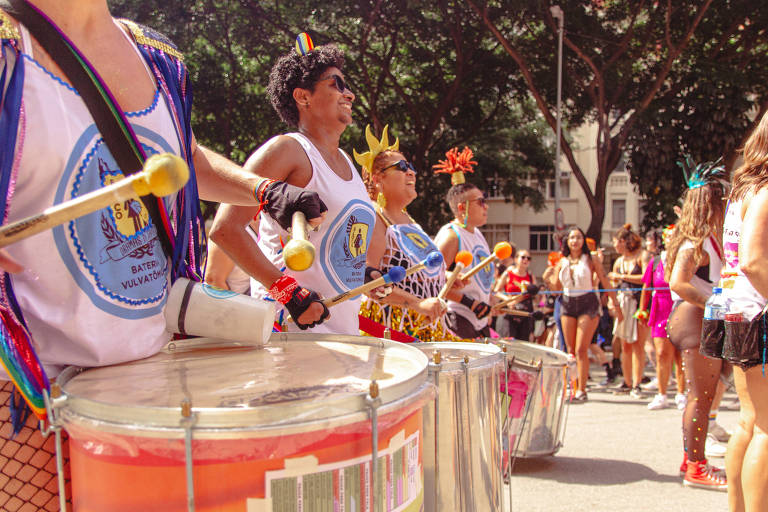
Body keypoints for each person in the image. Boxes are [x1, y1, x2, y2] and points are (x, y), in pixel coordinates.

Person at [0, 3, 326, 509]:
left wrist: (264, 191)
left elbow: (185, 158)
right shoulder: (6, 43)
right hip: (28, 387)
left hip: (148, 375)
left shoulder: (155, 55)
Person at [209, 42, 384, 335]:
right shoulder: (286, 150)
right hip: (292, 336)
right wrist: (287, 292)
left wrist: (361, 272)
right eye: (336, 84)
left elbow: (333, 243)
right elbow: (226, 229)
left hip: (343, 335)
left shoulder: (346, 163)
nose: (349, 94)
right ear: (304, 96)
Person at [665, 156, 728, 490]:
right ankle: (696, 467)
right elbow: (677, 282)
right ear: (712, 205)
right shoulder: (696, 242)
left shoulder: (704, 240)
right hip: (695, 320)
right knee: (701, 398)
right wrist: (715, 301)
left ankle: (692, 457)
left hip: (700, 320)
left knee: (703, 395)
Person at [715, 111, 768, 510]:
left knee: (749, 421)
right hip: (758, 312)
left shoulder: (743, 189)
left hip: (738, 309)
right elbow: (753, 260)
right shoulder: (766, 191)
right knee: (766, 428)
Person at [354, 125, 450, 340]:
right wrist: (417, 303)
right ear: (377, 179)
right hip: (390, 334)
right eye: (402, 166)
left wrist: (449, 276)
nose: (411, 172)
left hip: (426, 329)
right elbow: (369, 283)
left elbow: (416, 270)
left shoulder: (410, 221)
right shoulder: (374, 217)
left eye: (411, 166)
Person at [546, 227, 621, 402]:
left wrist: (615, 303)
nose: (575, 241)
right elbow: (556, 289)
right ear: (567, 242)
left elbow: (604, 279)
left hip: (588, 303)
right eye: (572, 238)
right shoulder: (562, 261)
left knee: (581, 349)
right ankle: (572, 387)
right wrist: (550, 276)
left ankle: (582, 389)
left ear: (583, 240)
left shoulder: (591, 259)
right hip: (567, 303)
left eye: (579, 237)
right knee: (570, 351)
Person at [433, 147, 494, 339]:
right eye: (480, 201)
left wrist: (492, 300)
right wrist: (469, 303)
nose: (486, 206)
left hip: (478, 318)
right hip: (458, 317)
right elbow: (431, 280)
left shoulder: (477, 234)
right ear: (462, 208)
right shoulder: (451, 236)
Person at [640, 227, 686, 411]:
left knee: (679, 354)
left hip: (680, 306)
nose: (671, 239)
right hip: (660, 307)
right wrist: (642, 310)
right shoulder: (657, 260)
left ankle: (681, 393)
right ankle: (662, 394)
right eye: (668, 237)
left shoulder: (684, 258)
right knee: (661, 353)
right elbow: (646, 287)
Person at [608, 224, 648, 398]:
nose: (614, 245)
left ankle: (637, 383)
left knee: (638, 344)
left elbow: (646, 278)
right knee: (625, 344)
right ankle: (627, 381)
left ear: (623, 241)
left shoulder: (642, 256)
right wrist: (612, 302)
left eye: (615, 242)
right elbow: (613, 285)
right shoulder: (619, 261)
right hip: (624, 303)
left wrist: (622, 277)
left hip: (639, 303)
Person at [494, 249, 536, 341]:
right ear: (516, 259)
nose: (526, 260)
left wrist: (529, 288)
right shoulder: (508, 273)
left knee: (523, 344)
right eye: (523, 257)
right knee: (507, 342)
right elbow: (496, 291)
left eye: (528, 258)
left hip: (524, 314)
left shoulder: (530, 276)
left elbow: (535, 295)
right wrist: (508, 300)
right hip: (509, 312)